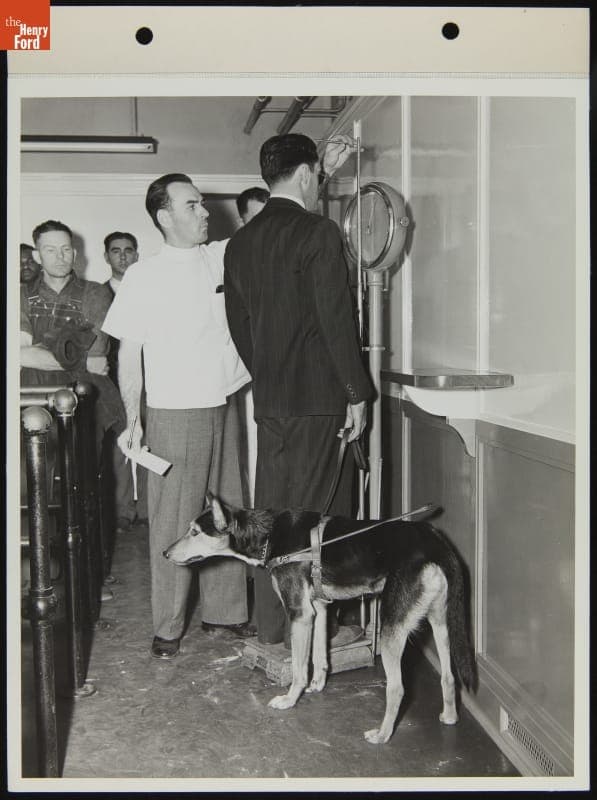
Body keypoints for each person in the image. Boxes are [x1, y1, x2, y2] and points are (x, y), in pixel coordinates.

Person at [224, 133, 373, 647]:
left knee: (272, 513)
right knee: (315, 521)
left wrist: (268, 372)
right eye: (316, 177)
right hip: (319, 401)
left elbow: (238, 324)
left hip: (271, 401)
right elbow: (336, 321)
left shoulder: (241, 241)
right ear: (308, 174)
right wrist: (356, 392)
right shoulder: (319, 232)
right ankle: (312, 635)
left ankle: (272, 625)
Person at [102, 173, 254, 660]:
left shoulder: (220, 256)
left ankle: (225, 613)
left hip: (223, 402)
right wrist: (134, 417)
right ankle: (168, 625)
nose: (205, 212)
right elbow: (128, 355)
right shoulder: (144, 277)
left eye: (202, 204)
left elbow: (269, 225)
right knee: (172, 523)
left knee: (227, 511)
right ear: (164, 216)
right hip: (172, 411)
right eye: (192, 206)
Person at [20, 220, 126, 451]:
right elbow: (16, 354)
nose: (60, 257)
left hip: (86, 397)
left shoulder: (96, 293)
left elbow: (97, 353)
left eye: (66, 249)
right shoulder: (20, 296)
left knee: (88, 469)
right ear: (37, 256)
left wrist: (36, 353)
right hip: (32, 396)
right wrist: (82, 360)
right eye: (50, 250)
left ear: (74, 252)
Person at [102, 231, 147, 533]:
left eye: (128, 250)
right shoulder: (97, 294)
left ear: (136, 255)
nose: (122, 256)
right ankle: (121, 512)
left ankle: (147, 509)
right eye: (115, 251)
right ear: (107, 257)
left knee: (151, 446)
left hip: (151, 381)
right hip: (112, 383)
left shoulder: (150, 291)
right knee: (119, 446)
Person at [234, 187, 269, 506]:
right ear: (242, 221)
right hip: (240, 374)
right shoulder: (231, 258)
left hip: (277, 376)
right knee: (247, 449)